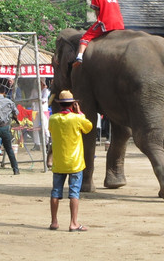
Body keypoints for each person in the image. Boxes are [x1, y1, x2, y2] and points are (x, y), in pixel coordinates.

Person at [48, 90, 93, 231]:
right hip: (75, 162)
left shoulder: (53, 119)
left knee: (55, 192)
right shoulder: (77, 118)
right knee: (74, 193)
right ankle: (73, 223)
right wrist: (79, 113)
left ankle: (54, 222)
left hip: (59, 161)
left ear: (60, 104)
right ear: (73, 104)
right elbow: (88, 127)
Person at [73, 0, 125, 66]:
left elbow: (97, 12)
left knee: (85, 38)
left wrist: (98, 21)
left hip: (106, 22)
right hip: (119, 23)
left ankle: (79, 57)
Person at [31, 78, 50, 151]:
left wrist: (37, 99)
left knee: (45, 128)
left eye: (40, 83)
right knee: (35, 127)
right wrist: (38, 99)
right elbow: (32, 99)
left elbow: (44, 100)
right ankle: (37, 144)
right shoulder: (34, 90)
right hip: (35, 110)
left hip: (43, 111)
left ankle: (47, 143)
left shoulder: (46, 91)